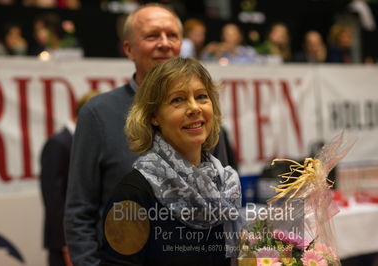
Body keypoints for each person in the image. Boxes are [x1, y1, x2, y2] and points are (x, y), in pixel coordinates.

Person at [64, 3, 237, 266]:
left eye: (173, 36)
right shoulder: (97, 113)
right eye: (152, 36)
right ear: (128, 49)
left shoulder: (201, 120)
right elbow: (79, 211)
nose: (165, 44)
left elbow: (220, 203)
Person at [100, 56, 241, 265]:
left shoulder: (225, 185)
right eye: (178, 100)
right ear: (154, 116)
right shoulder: (133, 194)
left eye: (202, 96)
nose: (194, 108)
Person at [39, 90, 98, 266]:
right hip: (67, 243)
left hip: (88, 239)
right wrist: (68, 243)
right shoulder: (59, 144)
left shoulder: (87, 143)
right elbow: (54, 200)